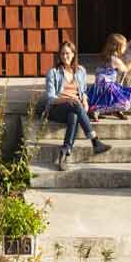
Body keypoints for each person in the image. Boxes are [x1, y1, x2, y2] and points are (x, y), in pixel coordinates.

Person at [43, 41, 106, 170]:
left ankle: (65, 152)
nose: (65, 56)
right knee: (75, 105)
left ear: (73, 54)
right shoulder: (53, 72)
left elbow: (82, 92)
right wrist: (68, 101)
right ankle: (94, 140)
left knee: (74, 116)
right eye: (62, 53)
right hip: (57, 109)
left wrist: (85, 100)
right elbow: (50, 98)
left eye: (67, 53)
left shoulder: (81, 71)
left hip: (75, 108)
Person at [87, 33, 131, 118]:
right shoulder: (115, 60)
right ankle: (96, 110)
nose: (126, 48)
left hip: (98, 87)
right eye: (124, 46)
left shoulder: (105, 56)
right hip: (107, 87)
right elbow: (126, 69)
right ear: (118, 47)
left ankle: (106, 110)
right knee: (125, 104)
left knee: (114, 94)